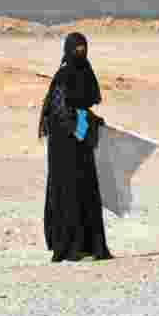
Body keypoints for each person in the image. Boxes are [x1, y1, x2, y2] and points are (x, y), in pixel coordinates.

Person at [38, 32, 114, 262]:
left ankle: (90, 245)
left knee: (87, 190)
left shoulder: (86, 73)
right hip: (63, 146)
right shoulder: (62, 76)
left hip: (81, 143)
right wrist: (79, 128)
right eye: (76, 48)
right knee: (67, 191)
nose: (80, 52)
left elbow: (82, 105)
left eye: (84, 48)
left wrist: (90, 121)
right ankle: (67, 247)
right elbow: (60, 111)